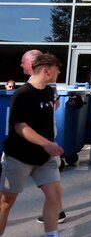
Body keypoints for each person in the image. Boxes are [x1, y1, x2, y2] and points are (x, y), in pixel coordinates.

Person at [0, 53, 65, 237]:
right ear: (46, 70)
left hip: (45, 158)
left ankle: (51, 235)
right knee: (6, 201)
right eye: (56, 69)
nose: (58, 72)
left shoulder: (49, 91)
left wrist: (49, 144)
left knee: (54, 197)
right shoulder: (22, 95)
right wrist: (46, 143)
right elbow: (21, 127)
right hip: (19, 157)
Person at [20, 50, 67, 225]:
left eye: (23, 61)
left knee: (51, 181)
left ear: (33, 64)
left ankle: (57, 212)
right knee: (51, 181)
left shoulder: (43, 86)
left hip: (39, 142)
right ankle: (57, 211)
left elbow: (53, 105)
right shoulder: (37, 86)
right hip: (41, 141)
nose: (21, 65)